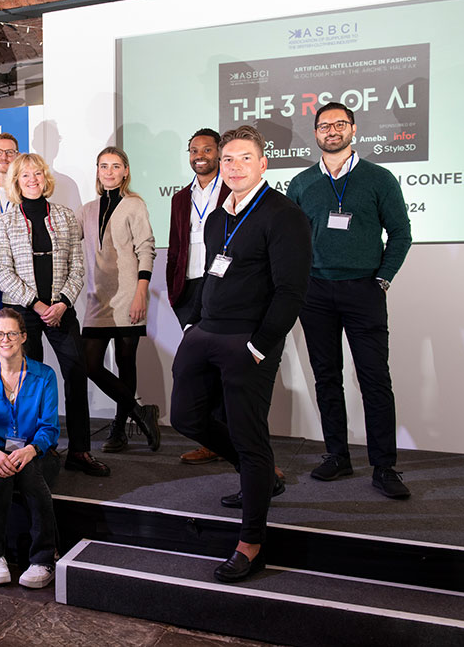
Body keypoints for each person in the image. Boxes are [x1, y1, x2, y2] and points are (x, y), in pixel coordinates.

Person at [170, 125, 311, 583]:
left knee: (249, 437)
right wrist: (192, 323)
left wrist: (259, 345)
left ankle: (251, 544)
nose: (233, 166)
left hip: (248, 341)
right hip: (206, 332)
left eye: (244, 158)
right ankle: (263, 476)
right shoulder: (216, 216)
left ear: (263, 163)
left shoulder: (283, 215)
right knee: (186, 419)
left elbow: (291, 291)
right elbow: (211, 272)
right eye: (228, 159)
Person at [287, 102, 413, 499]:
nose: (332, 131)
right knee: (327, 377)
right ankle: (337, 455)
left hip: (364, 289)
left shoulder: (379, 178)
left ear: (354, 130)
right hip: (316, 293)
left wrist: (383, 278)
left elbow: (401, 234)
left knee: (375, 378)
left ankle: (385, 466)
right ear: (316, 133)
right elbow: (291, 243)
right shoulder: (302, 183)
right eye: (324, 126)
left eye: (340, 124)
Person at [0, 152, 109, 477]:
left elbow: (77, 267)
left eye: (38, 174)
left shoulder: (64, 216)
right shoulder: (6, 220)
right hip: (23, 313)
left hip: (61, 310)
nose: (33, 180)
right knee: (27, 382)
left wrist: (61, 303)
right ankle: (32, 449)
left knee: (75, 374)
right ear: (16, 182)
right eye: (25, 176)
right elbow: (2, 272)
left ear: (46, 178)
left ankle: (80, 451)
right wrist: (37, 304)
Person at [77, 146, 160, 453]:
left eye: (115, 166)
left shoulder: (134, 204)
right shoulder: (86, 209)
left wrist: (142, 292)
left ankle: (119, 428)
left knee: (126, 362)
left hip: (129, 296)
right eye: (103, 166)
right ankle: (140, 413)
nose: (109, 171)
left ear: (126, 171)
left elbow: (146, 248)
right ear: (97, 171)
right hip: (98, 298)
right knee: (90, 364)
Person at [0, 307, 60, 589]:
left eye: (11, 333)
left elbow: (49, 427)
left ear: (23, 337)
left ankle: (44, 559)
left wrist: (31, 449)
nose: (5, 339)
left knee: (31, 473)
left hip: (36, 453)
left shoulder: (44, 375)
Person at [167, 129, 230, 465]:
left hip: (221, 288)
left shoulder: (232, 188)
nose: (200, 155)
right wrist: (175, 292)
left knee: (223, 367)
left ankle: (226, 440)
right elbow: (176, 246)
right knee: (199, 368)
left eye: (207, 149)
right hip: (188, 289)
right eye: (194, 150)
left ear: (219, 153)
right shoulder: (180, 198)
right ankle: (211, 440)